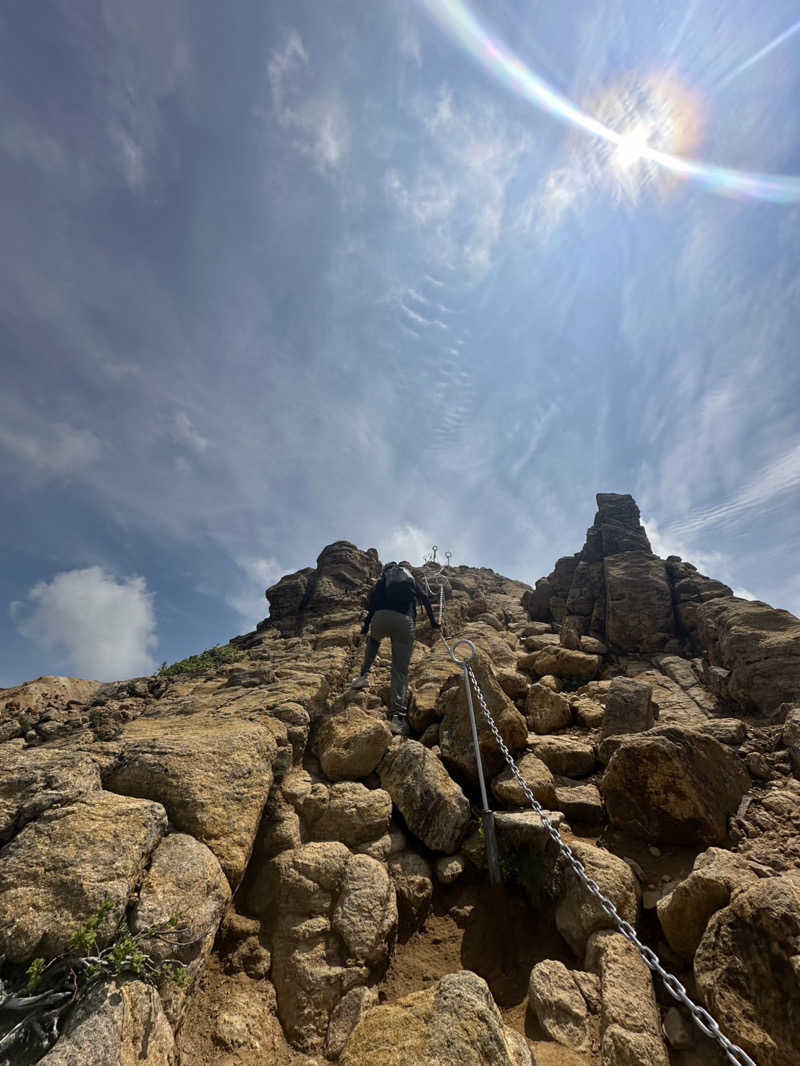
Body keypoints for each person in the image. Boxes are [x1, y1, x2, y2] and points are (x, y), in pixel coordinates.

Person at [350, 561, 440, 735]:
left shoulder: (383, 581)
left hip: (381, 618)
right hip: (404, 622)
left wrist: (365, 628)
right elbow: (425, 600)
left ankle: (363, 676)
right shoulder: (410, 580)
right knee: (400, 670)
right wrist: (434, 623)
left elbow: (373, 606)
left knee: (373, 643)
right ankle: (397, 717)